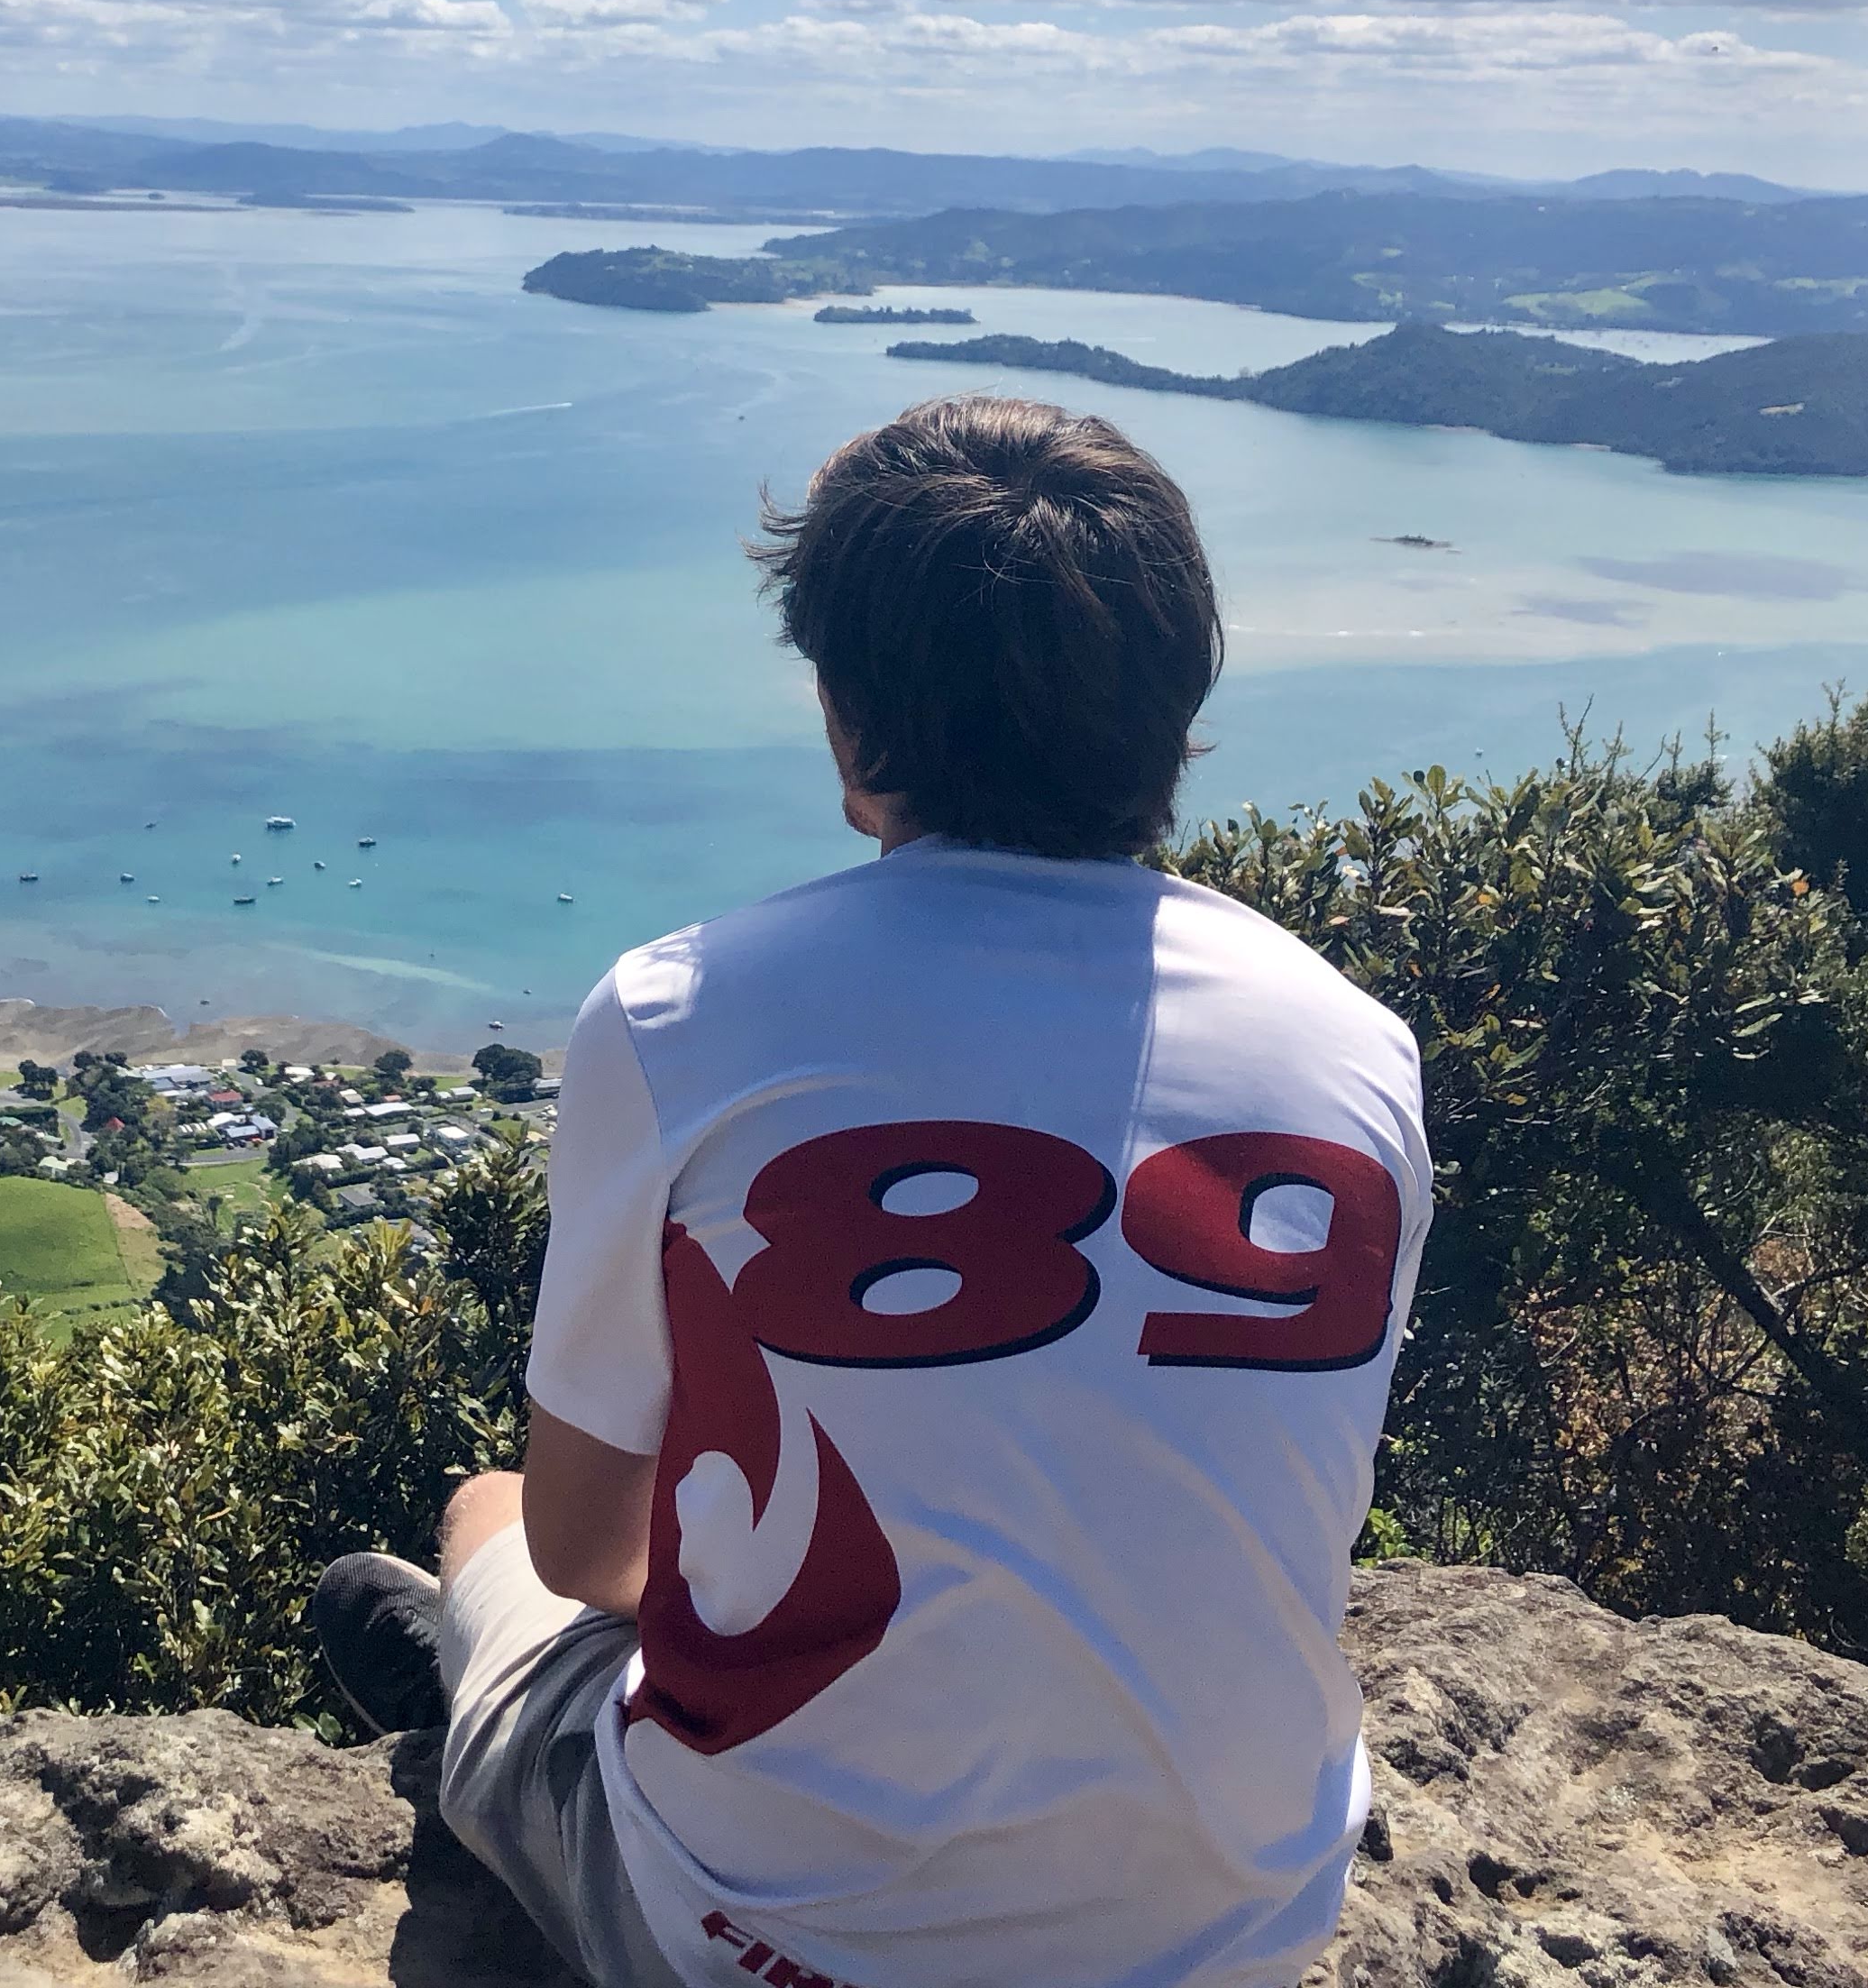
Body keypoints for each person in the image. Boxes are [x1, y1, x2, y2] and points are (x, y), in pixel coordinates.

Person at [311, 395, 1433, 1988]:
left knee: (489, 1522)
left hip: (771, 1949)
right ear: (1179, 717)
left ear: (851, 725)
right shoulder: (1356, 1052)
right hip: (1238, 1938)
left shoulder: (682, 1013)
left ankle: (469, 1709)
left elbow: (587, 1547)